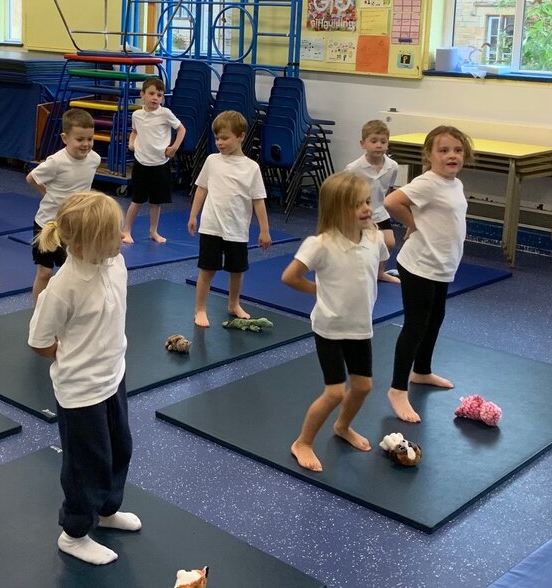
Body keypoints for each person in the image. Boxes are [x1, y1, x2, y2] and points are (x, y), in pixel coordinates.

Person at [26, 191, 142, 566]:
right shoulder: (63, 287)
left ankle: (106, 511)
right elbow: (40, 341)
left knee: (120, 448)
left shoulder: (116, 263)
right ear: (85, 244)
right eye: (113, 233)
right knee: (86, 465)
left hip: (114, 377)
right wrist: (74, 358)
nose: (123, 236)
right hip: (80, 392)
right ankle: (74, 534)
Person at [282, 171, 388, 472]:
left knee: (363, 387)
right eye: (356, 205)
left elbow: (375, 265)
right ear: (336, 210)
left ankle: (342, 426)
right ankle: (303, 442)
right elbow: (290, 277)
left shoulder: (374, 237)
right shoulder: (321, 244)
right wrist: (319, 290)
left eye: (367, 202)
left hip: (360, 327)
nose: (366, 209)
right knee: (335, 392)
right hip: (329, 328)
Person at [382, 124, 472, 423]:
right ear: (429, 155)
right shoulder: (428, 182)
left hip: (441, 264)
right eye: (443, 150)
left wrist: (418, 222)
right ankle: (397, 389)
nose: (452, 155)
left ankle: (421, 371)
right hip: (419, 265)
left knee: (435, 319)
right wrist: (413, 223)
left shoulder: (454, 184)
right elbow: (392, 202)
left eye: (457, 150)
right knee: (415, 325)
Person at [187, 110, 271, 327]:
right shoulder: (212, 161)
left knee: (237, 270)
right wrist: (193, 215)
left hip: (237, 229)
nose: (219, 143)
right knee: (207, 269)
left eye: (225, 138)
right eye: (217, 138)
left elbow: (258, 200)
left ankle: (234, 304)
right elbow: (201, 189)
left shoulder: (251, 168)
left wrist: (264, 230)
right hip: (211, 226)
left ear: (241, 136)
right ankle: (200, 309)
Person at [27, 109, 102, 300]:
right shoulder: (56, 162)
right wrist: (47, 193)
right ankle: (39, 312)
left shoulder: (94, 159)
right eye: (80, 139)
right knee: (45, 272)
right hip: (47, 224)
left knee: (72, 273)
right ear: (65, 138)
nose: (86, 144)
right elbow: (31, 178)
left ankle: (68, 309)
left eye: (90, 139)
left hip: (74, 226)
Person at [121, 77, 185, 245]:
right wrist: (131, 143)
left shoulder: (165, 113)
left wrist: (174, 147)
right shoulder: (137, 115)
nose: (155, 98)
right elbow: (135, 131)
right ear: (142, 94)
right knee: (137, 200)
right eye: (151, 93)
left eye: (159, 95)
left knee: (156, 202)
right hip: (141, 164)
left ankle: (153, 231)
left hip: (160, 164)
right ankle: (126, 230)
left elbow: (181, 129)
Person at [344, 119, 401, 283]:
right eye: (374, 141)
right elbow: (344, 194)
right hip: (358, 214)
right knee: (357, 247)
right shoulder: (353, 168)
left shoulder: (393, 166)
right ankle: (352, 273)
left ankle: (379, 272)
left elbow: (389, 190)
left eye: (383, 142)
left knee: (389, 243)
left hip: (379, 212)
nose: (379, 145)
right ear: (363, 144)